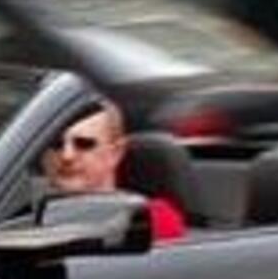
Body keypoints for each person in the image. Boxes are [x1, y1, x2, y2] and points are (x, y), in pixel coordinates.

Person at [42, 100, 187, 243]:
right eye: (57, 144)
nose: (67, 156)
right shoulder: (28, 217)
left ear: (116, 153)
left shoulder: (153, 219)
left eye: (84, 144)